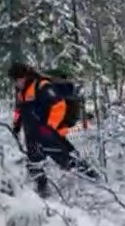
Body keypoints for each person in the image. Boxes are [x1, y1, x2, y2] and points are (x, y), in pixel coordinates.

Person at [9, 62, 98, 196]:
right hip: (31, 134)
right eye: (14, 80)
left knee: (66, 157)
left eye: (17, 79)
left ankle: (92, 180)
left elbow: (58, 105)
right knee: (35, 164)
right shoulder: (22, 92)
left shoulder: (41, 86)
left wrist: (50, 127)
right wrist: (16, 126)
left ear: (24, 76)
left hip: (46, 132)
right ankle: (42, 192)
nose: (16, 83)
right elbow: (19, 110)